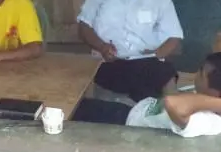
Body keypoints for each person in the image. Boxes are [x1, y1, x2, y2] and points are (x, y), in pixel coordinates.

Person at [76, 53, 221, 138]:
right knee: (160, 69)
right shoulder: (206, 97)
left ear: (215, 93)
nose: (196, 74)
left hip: (128, 123)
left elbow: (173, 103)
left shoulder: (210, 122)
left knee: (80, 109)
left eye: (201, 73)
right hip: (139, 108)